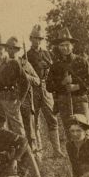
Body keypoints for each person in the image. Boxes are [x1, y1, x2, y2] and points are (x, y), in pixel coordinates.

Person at [45, 27, 89, 130]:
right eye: (62, 45)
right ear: (58, 47)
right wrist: (62, 83)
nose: (65, 48)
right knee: (70, 131)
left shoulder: (81, 61)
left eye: (67, 45)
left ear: (72, 46)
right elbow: (49, 86)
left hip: (80, 100)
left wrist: (77, 86)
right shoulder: (55, 66)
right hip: (64, 102)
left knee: (84, 130)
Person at [26, 26, 64, 158]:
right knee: (34, 121)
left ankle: (57, 150)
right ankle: (38, 152)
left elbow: (55, 71)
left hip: (46, 88)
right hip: (33, 89)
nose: (37, 41)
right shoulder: (26, 56)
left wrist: (48, 69)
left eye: (40, 39)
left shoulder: (48, 54)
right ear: (30, 39)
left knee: (52, 118)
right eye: (35, 38)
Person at [5, 36, 41, 158]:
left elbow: (37, 81)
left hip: (25, 100)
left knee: (29, 129)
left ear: (18, 50)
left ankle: (33, 156)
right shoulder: (4, 64)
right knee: (13, 130)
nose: (12, 51)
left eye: (15, 48)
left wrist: (25, 76)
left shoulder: (25, 63)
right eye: (9, 48)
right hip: (11, 101)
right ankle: (17, 156)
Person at [0, 33, 29, 138]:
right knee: (0, 128)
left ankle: (22, 147)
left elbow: (25, 82)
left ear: (5, 49)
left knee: (17, 128)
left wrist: (20, 101)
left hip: (11, 100)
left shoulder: (14, 64)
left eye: (0, 49)